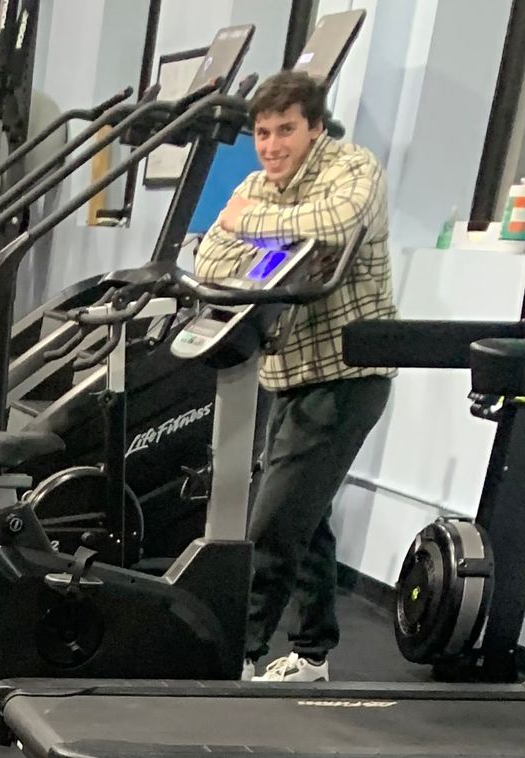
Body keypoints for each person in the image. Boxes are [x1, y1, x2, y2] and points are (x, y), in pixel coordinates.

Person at [193, 69, 395, 682]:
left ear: (314, 127)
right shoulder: (261, 185)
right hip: (287, 374)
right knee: (307, 517)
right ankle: (310, 655)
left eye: (286, 130)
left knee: (274, 523)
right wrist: (277, 235)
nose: (272, 145)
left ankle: (237, 657)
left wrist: (252, 226)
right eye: (263, 133)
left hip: (347, 373)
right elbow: (210, 257)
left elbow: (334, 224)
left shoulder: (352, 169)